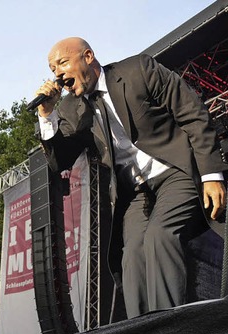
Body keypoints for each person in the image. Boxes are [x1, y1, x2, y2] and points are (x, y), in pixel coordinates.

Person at [34, 37, 227, 318]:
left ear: (88, 56)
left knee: (160, 237)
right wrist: (47, 114)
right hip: (135, 190)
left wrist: (211, 174)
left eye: (63, 63)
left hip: (175, 170)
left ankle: (170, 327)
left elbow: (192, 113)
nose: (58, 73)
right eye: (52, 69)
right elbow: (58, 160)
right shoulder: (70, 109)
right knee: (132, 255)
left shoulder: (138, 69)